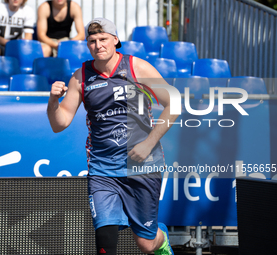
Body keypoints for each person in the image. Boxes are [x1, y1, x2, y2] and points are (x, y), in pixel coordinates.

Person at [47, 18, 178, 255]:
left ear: (115, 40)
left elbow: (175, 103)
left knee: (146, 244)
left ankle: (162, 240)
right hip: (102, 169)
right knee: (105, 238)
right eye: (92, 41)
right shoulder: (81, 77)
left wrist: (148, 144)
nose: (98, 46)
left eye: (103, 39)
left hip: (142, 165)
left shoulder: (137, 67)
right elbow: (60, 123)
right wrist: (53, 101)